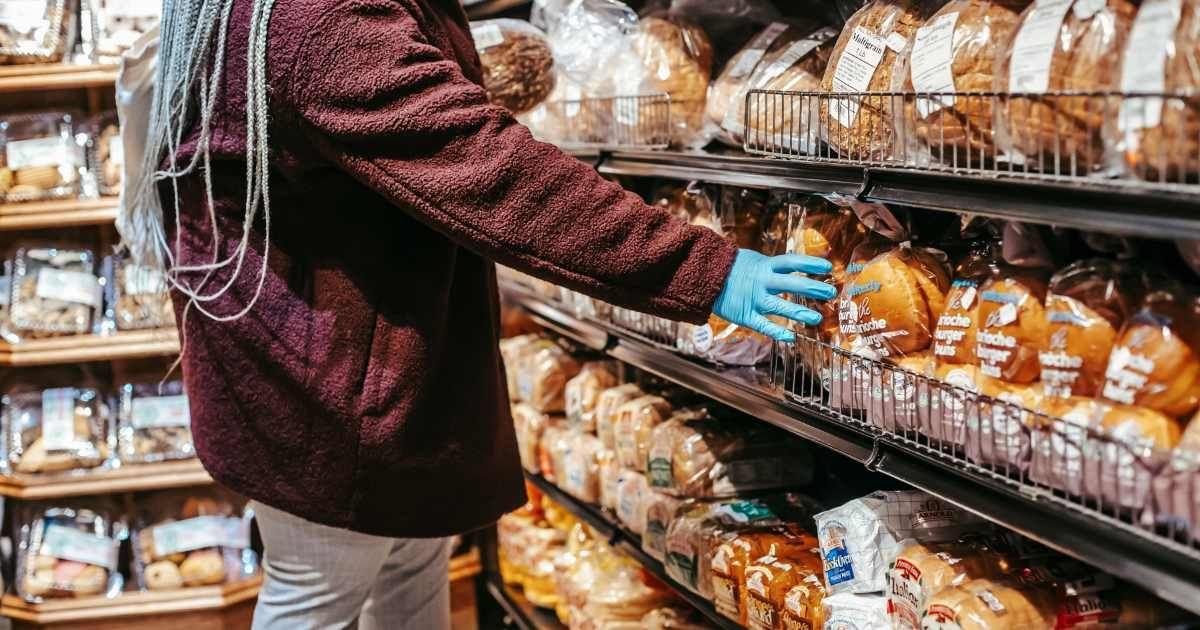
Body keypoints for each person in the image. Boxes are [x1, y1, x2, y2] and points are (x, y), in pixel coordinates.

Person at [121, 0, 836, 628]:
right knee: (318, 596)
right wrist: (704, 268)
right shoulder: (319, 17)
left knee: (405, 572)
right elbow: (494, 172)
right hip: (331, 397)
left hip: (335, 365)